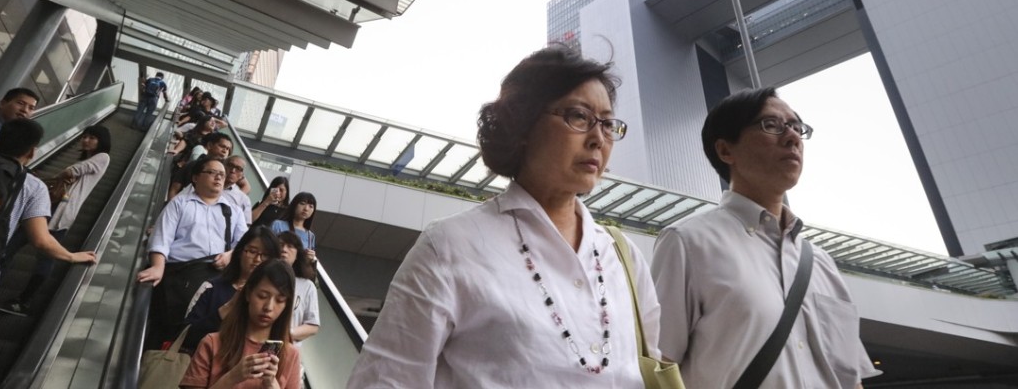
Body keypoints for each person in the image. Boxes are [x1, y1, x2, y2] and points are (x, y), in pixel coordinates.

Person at [347, 46, 662, 388]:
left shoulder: (623, 256)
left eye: (607, 123)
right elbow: (385, 380)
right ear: (522, 124)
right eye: (579, 116)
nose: (598, 138)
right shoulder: (450, 246)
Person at [651, 87, 879, 389]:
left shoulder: (821, 263)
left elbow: (850, 377)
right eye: (771, 125)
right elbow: (659, 365)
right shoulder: (687, 242)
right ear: (725, 150)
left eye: (797, 127)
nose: (792, 137)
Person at [0, 125, 111, 315]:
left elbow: (73, 171)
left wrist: (55, 177)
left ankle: (24, 301)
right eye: (85, 137)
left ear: (102, 141)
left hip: (60, 214)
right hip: (46, 209)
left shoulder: (103, 157)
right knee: (9, 248)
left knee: (44, 258)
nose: (86, 140)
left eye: (92, 138)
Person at [137, 156, 247, 347]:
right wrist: (157, 266)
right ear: (196, 177)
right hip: (181, 277)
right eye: (212, 172)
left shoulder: (233, 211)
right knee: (172, 333)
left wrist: (230, 255)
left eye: (222, 174)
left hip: (216, 278)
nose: (219, 178)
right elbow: (162, 237)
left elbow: (244, 244)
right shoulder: (180, 204)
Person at [180, 259, 302, 389]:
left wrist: (273, 385)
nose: (269, 307)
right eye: (262, 296)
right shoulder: (212, 343)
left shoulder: (290, 355)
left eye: (280, 300)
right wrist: (233, 377)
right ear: (248, 293)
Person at [184, 226, 281, 352]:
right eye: (252, 251)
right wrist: (227, 309)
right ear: (240, 252)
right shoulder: (212, 288)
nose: (257, 260)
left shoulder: (275, 301)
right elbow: (185, 335)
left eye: (265, 255)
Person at [277, 231, 319, 346]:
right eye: (280, 245)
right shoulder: (261, 278)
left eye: (290, 246)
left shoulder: (307, 286)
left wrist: (287, 334)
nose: (284, 249)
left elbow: (312, 325)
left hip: (288, 350)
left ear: (298, 254)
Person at [269, 193, 316, 262]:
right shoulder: (277, 224)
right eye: (302, 203)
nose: (306, 208)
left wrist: (311, 258)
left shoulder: (310, 236)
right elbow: (268, 247)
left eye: (311, 206)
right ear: (294, 205)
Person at [222, 156, 253, 224]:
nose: (233, 170)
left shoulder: (243, 199)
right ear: (223, 166)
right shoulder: (206, 185)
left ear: (242, 175)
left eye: (238, 169)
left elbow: (245, 225)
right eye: (230, 165)